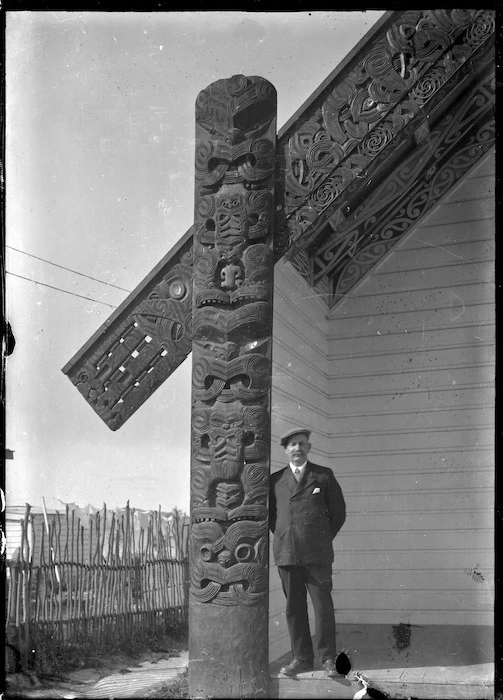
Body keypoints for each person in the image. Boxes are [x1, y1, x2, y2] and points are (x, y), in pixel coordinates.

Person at [269, 427, 346, 678]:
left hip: (317, 555)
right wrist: (286, 537)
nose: (297, 449)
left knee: (323, 606)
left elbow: (338, 514)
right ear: (286, 450)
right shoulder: (276, 481)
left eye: (302, 444)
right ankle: (301, 658)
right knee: (294, 607)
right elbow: (273, 518)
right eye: (292, 445)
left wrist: (319, 540)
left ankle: (328, 659)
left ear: (309, 448)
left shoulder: (323, 476)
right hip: (287, 553)